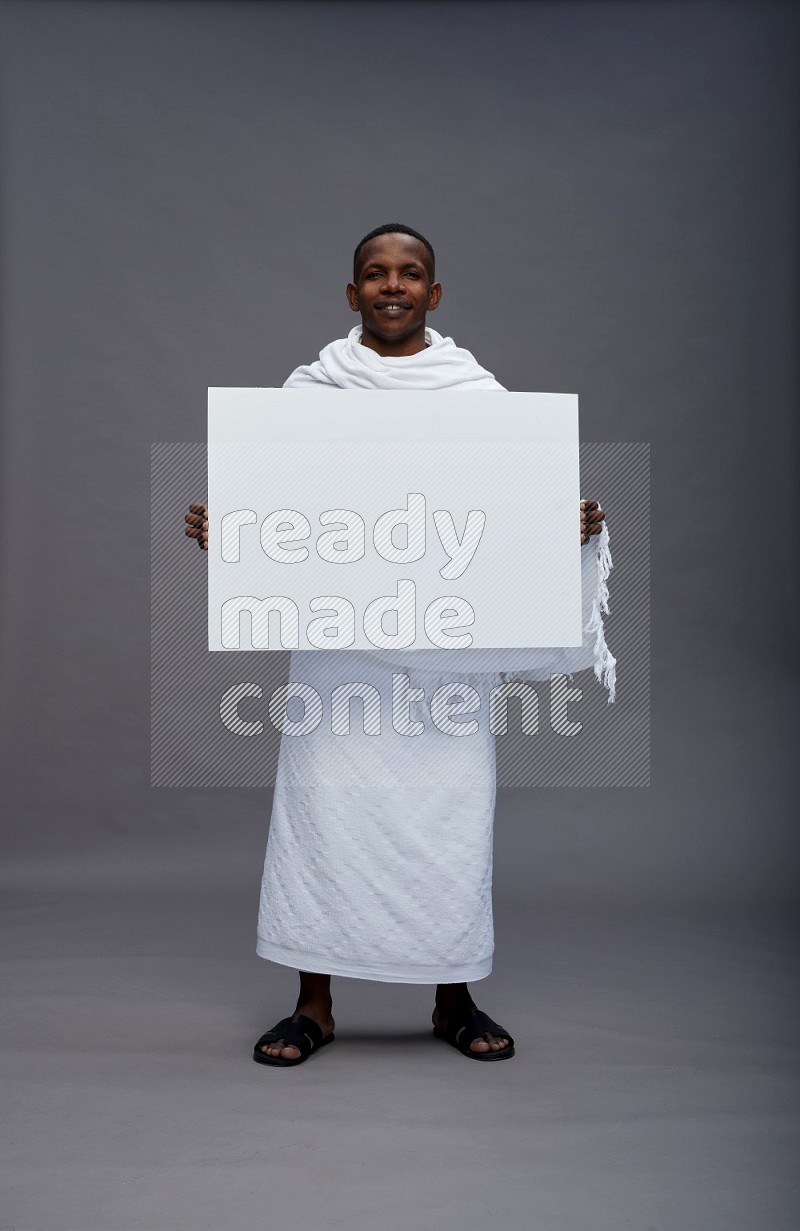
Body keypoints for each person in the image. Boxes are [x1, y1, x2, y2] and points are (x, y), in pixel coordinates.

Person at [185, 224, 611, 1066]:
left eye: (409, 273)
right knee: (326, 812)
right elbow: (289, 513)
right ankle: (313, 1004)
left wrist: (567, 528)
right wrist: (231, 530)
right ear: (352, 295)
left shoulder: (475, 394)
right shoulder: (311, 392)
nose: (392, 285)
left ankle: (453, 998)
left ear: (434, 294)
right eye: (374, 274)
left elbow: (503, 511)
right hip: (339, 657)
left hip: (444, 661)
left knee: (446, 818)